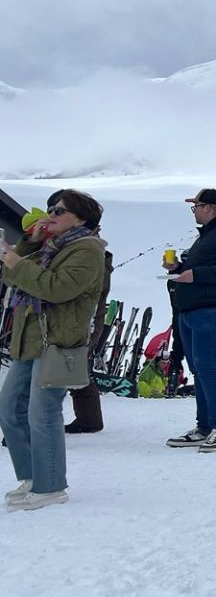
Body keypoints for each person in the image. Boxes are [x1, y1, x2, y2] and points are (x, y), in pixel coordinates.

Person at [1, 189, 108, 511]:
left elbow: (58, 288)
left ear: (81, 218)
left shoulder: (88, 249)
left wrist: (18, 262)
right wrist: (28, 244)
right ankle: (33, 478)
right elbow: (12, 277)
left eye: (59, 210)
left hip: (58, 341)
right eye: (50, 208)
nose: (51, 215)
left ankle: (50, 486)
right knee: (9, 409)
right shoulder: (50, 246)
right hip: (30, 339)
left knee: (42, 412)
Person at [163, 188, 216, 454]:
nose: (195, 212)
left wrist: (195, 275)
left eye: (196, 207)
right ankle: (204, 427)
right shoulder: (209, 235)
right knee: (199, 368)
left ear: (209, 208)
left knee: (207, 367)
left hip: (212, 308)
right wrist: (178, 269)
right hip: (191, 308)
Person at [65, 226, 113, 435]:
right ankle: (89, 419)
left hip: (85, 320)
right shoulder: (97, 255)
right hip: (87, 320)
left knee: (66, 367)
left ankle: (35, 424)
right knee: (76, 369)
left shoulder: (93, 255)